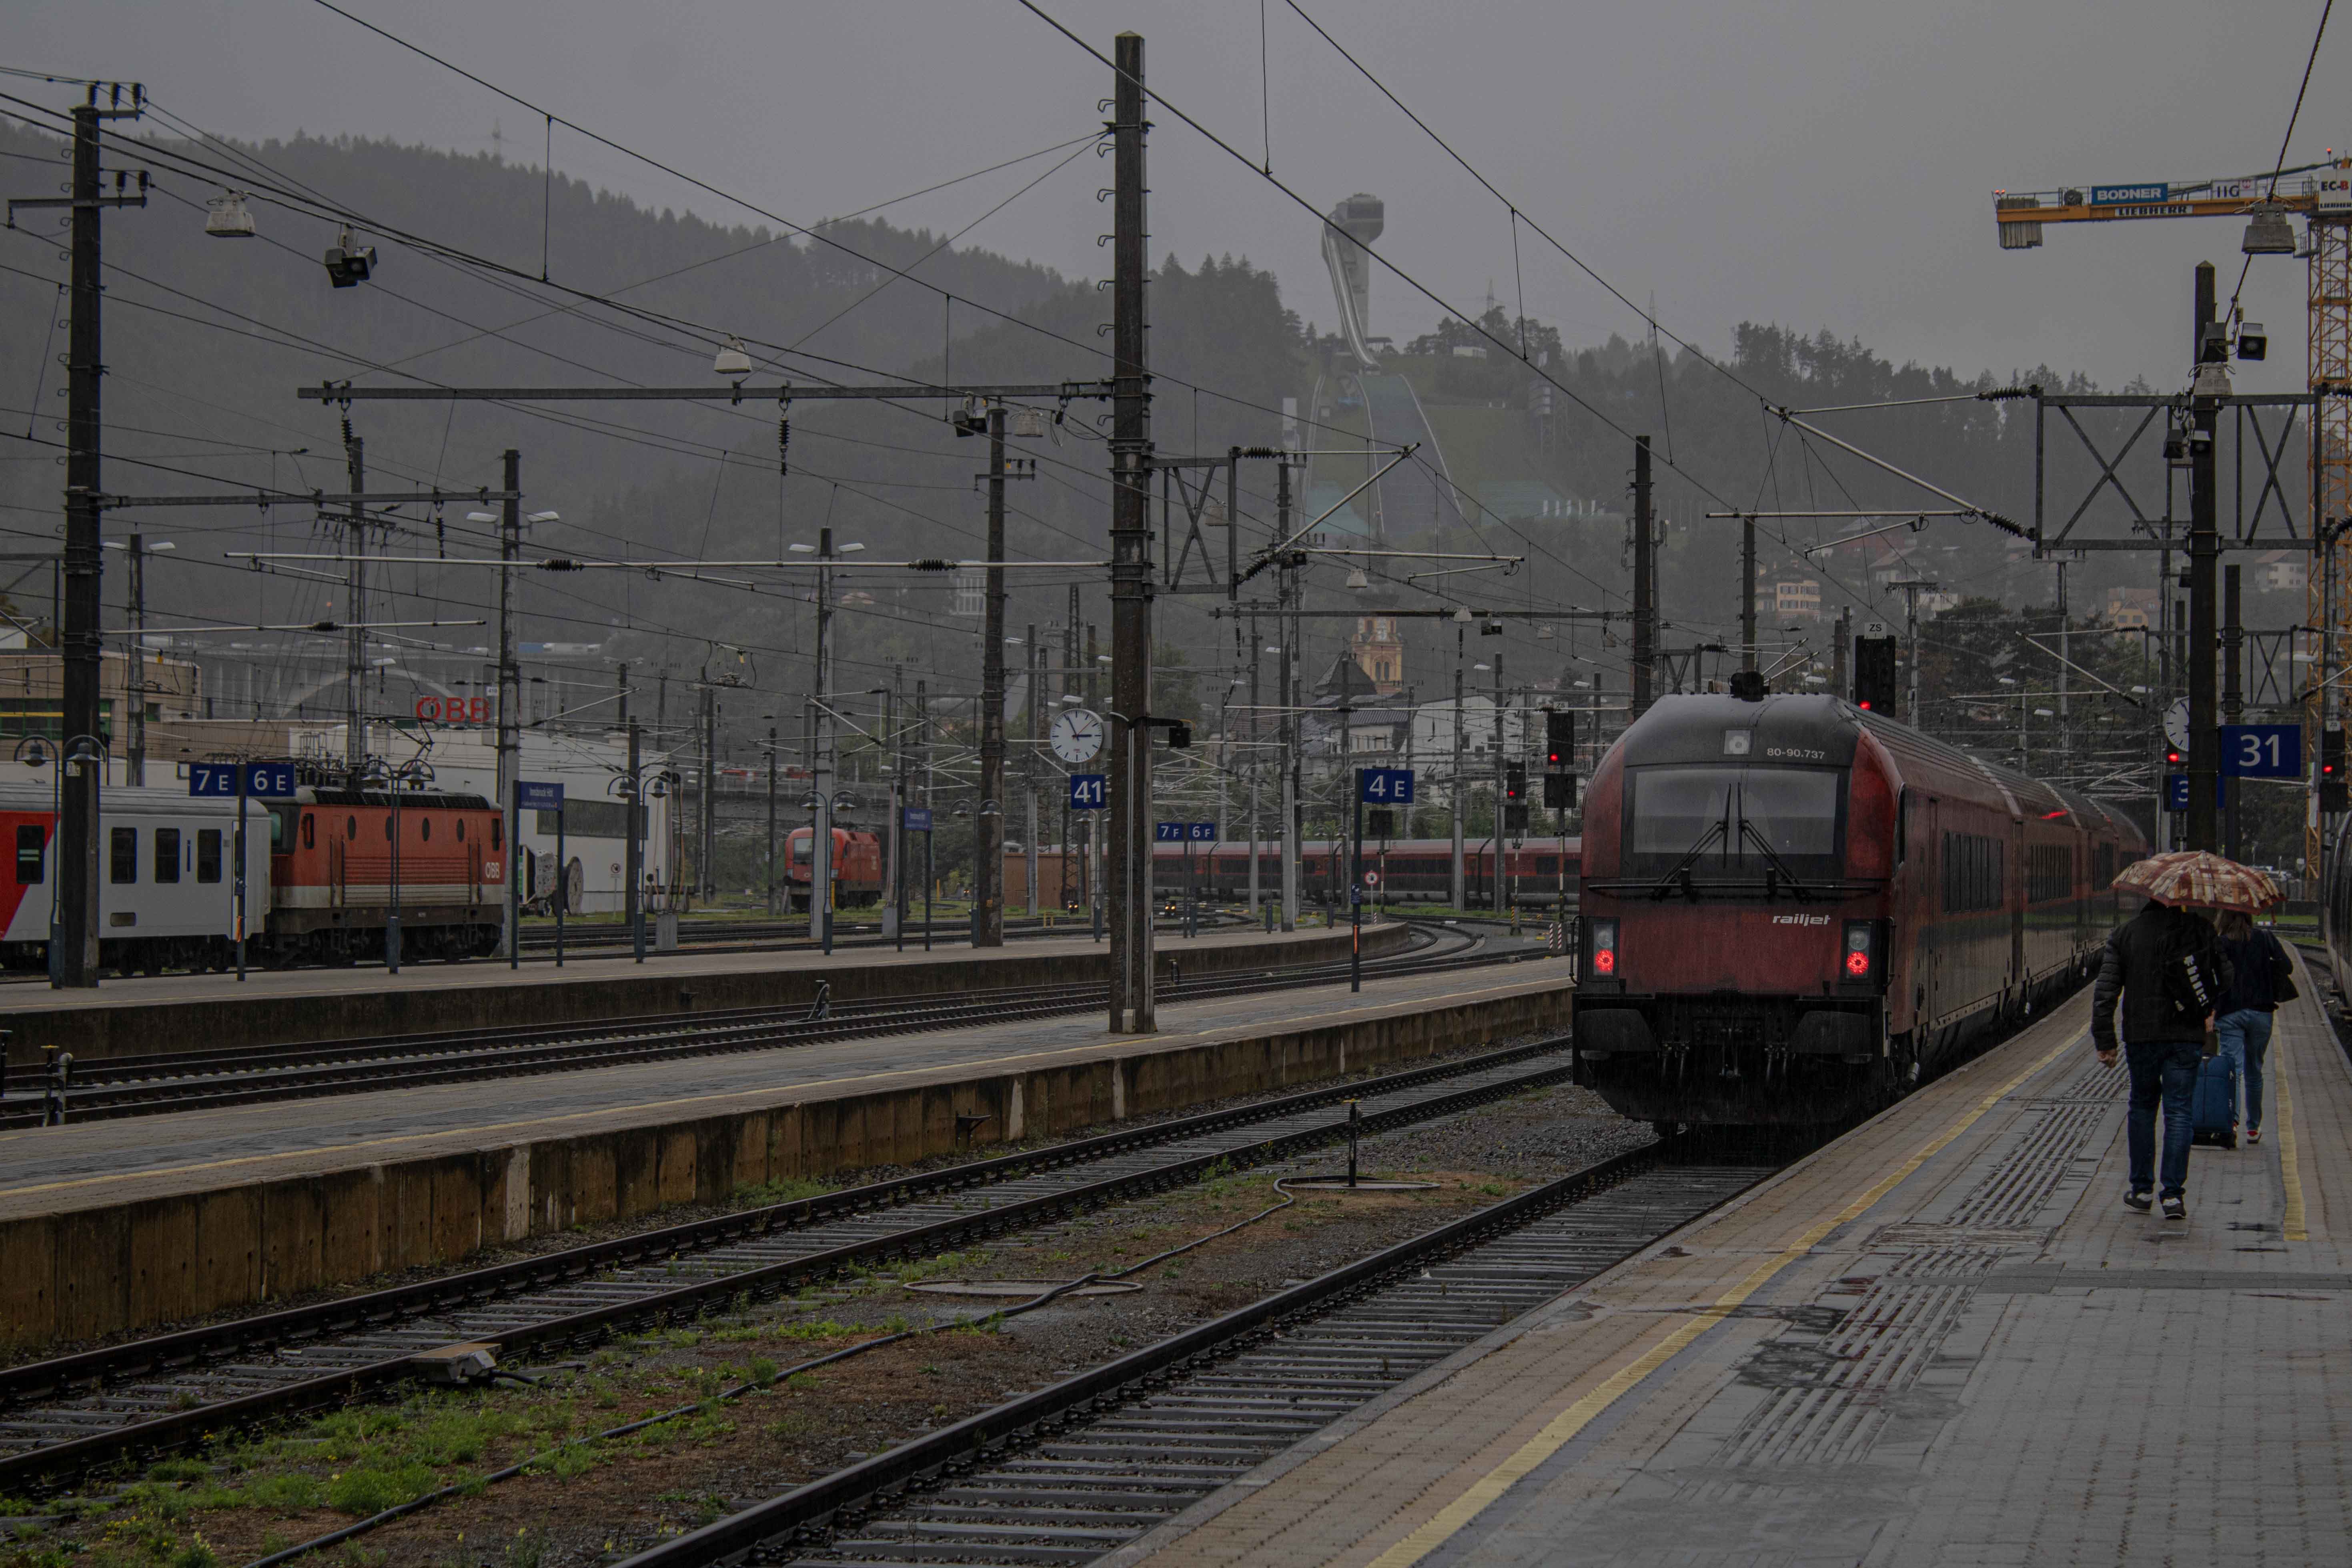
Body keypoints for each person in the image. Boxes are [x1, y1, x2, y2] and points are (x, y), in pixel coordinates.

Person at [2091, 899, 2232, 1220]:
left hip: (2142, 1037)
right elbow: (2226, 978)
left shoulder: (2126, 934)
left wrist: (2105, 1040)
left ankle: (2141, 1191)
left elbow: (2106, 991)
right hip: (2186, 1037)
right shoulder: (2201, 929)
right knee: (2180, 1111)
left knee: (2142, 1106)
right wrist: (2207, 1004)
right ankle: (2172, 1196)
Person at [2212, 908, 2293, 1146]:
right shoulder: (2265, 938)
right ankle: (2253, 1128)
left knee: (2233, 1069)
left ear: (2224, 918)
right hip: (2261, 1013)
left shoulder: (2221, 943)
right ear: (2249, 917)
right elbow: (2287, 967)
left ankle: (2231, 1124)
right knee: (2255, 1069)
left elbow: (2214, 977)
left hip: (2230, 1014)